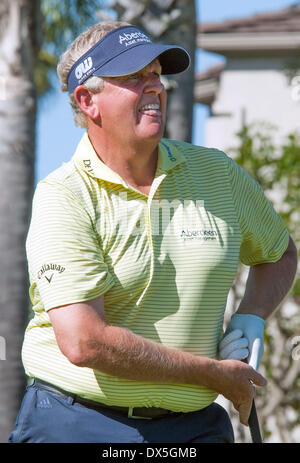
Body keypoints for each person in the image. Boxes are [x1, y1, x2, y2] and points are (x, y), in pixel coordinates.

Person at [9, 21, 298, 444]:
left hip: (194, 426)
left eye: (156, 75)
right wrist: (216, 375)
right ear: (88, 101)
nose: (155, 87)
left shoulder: (217, 173)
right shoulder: (63, 196)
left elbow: (278, 253)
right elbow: (85, 342)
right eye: (133, 77)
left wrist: (251, 315)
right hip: (76, 423)